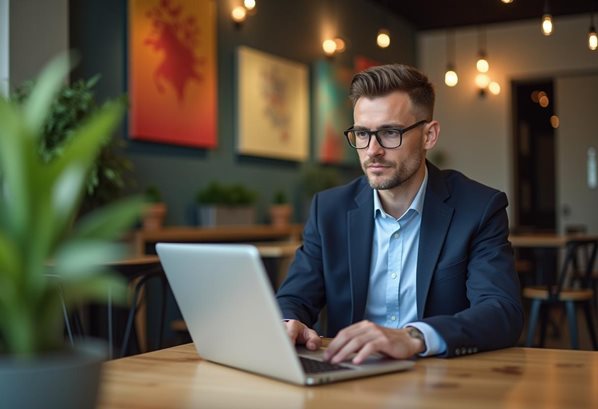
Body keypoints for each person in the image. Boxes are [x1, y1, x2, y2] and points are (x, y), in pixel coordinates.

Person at [276, 63, 523, 364]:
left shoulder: (479, 208)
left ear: (429, 136)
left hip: (440, 381)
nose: (372, 150)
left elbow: (501, 311)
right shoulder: (329, 210)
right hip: (347, 379)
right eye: (362, 134)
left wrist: (414, 337)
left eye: (390, 132)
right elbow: (294, 299)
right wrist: (289, 323)